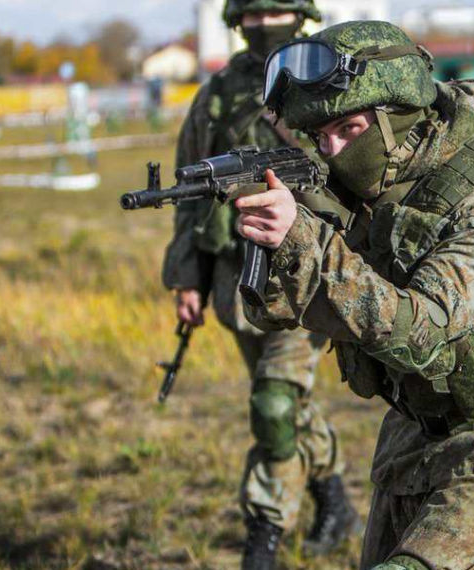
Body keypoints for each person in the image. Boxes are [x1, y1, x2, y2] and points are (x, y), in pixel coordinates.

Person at [233, 21, 474, 570]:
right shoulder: (375, 184)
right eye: (320, 136)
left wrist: (307, 240)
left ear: (399, 116)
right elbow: (276, 312)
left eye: (348, 128)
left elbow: (418, 333)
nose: (332, 151)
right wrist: (279, 250)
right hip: (416, 429)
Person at [160, 1, 360, 568]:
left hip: (310, 274)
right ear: (235, 21)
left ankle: (264, 537)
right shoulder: (217, 96)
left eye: (276, 10)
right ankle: (336, 501)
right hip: (236, 284)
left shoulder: (324, 80)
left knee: (274, 404)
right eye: (254, 13)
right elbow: (190, 200)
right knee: (286, 405)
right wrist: (188, 279)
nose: (264, 22)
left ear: (298, 15)